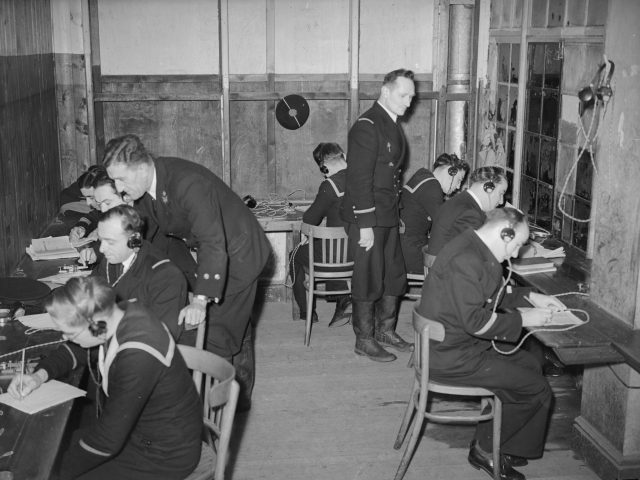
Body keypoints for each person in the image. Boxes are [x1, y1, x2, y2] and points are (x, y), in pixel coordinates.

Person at [103, 134, 271, 411]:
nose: (119, 189)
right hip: (212, 253)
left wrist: (201, 299)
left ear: (142, 167)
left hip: (239, 253)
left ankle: (224, 406)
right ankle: (235, 391)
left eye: (121, 180)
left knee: (219, 331)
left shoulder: (187, 183)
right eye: (114, 182)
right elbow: (150, 240)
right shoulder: (145, 191)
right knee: (233, 324)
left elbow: (213, 243)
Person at [417, 207, 561, 480]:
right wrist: (525, 318)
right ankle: (485, 450)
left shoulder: (473, 247)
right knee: (537, 388)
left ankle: (504, 443)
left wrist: (531, 296)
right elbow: (476, 322)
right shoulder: (468, 260)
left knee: (531, 364)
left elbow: (490, 294)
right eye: (517, 244)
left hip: (454, 346)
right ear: (504, 234)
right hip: (450, 358)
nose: (516, 254)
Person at [8, 277, 202, 479]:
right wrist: (38, 376)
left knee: (48, 466)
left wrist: (51, 474)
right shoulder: (119, 314)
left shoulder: (138, 355)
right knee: (42, 447)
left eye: (71, 333)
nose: (65, 338)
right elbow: (77, 350)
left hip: (163, 453)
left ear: (96, 325)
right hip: (137, 433)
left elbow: (107, 441)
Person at [340, 68, 415, 362]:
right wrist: (367, 224)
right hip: (367, 216)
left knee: (393, 274)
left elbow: (391, 177)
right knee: (368, 277)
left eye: (411, 96)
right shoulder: (367, 126)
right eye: (403, 95)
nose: (408, 102)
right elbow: (358, 179)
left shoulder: (391, 123)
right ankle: (364, 338)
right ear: (385, 91)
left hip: (387, 214)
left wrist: (395, 214)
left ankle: (386, 331)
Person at [289, 142, 351, 327]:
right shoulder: (362, 179)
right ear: (344, 156)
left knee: (294, 256)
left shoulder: (329, 185)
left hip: (335, 258)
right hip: (360, 252)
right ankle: (344, 299)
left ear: (323, 166)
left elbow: (309, 220)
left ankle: (306, 313)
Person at [425, 165, 508, 268]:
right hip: (448, 276)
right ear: (488, 188)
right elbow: (475, 257)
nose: (501, 201)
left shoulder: (462, 201)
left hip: (443, 269)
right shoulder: (470, 213)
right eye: (501, 193)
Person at [399, 152, 469, 274]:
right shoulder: (432, 187)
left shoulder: (423, 177)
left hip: (403, 246)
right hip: (410, 253)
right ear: (450, 171)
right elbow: (445, 225)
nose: (458, 187)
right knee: (459, 269)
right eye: (459, 180)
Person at [67, 166, 110, 244]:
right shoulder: (101, 208)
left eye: (92, 197)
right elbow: (92, 217)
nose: (88, 203)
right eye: (86, 197)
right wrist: (81, 228)